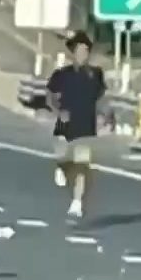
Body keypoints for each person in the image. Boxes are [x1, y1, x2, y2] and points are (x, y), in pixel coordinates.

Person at [45, 30, 106, 219]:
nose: (83, 54)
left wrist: (106, 116)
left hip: (86, 126)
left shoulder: (96, 74)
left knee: (82, 165)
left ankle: (77, 203)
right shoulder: (62, 75)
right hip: (65, 124)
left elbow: (102, 98)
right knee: (63, 157)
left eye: (86, 51)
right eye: (80, 51)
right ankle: (61, 167)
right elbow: (49, 96)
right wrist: (57, 111)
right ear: (73, 53)